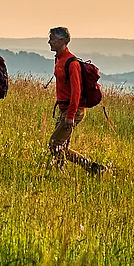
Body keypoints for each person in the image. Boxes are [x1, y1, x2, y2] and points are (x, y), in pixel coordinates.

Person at [47, 26, 105, 175]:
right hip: (65, 109)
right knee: (62, 146)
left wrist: (70, 115)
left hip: (74, 110)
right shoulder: (59, 60)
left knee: (55, 144)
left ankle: (60, 174)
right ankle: (93, 168)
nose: (49, 42)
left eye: (52, 39)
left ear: (61, 41)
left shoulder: (71, 63)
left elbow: (76, 92)